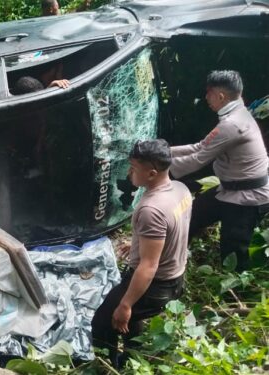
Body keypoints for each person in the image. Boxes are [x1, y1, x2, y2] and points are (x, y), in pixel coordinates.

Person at [92, 139, 191, 368]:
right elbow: (175, 230)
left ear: (151, 173)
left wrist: (125, 305)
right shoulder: (180, 189)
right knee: (131, 319)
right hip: (176, 278)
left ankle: (109, 367)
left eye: (134, 168)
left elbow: (148, 267)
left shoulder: (151, 210)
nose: (129, 173)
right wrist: (138, 243)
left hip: (155, 285)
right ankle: (131, 358)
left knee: (104, 321)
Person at [169, 70, 269, 272]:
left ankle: (234, 294)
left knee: (233, 253)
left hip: (247, 197)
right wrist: (164, 151)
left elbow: (199, 158)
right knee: (191, 217)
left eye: (209, 93)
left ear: (220, 96)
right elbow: (201, 146)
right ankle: (174, 262)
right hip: (229, 188)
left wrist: (162, 170)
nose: (206, 98)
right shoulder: (236, 115)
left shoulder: (233, 124)